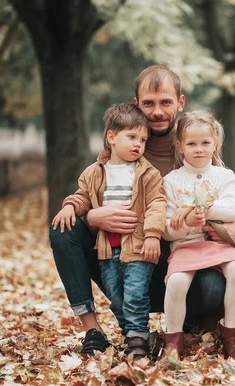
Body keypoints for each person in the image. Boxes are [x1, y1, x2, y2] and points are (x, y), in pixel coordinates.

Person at [49, 65, 235, 356]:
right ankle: (93, 330)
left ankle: (186, 323)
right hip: (126, 259)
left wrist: (233, 229)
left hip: (180, 261)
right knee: (63, 229)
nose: (157, 111)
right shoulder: (124, 146)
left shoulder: (196, 146)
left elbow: (227, 204)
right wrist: (92, 217)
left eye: (165, 102)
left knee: (214, 288)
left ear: (180, 103)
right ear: (136, 104)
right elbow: (89, 193)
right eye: (148, 103)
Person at [51, 103, 167, 358]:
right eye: (132, 137)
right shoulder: (94, 173)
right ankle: (133, 336)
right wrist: (71, 206)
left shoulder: (147, 173)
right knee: (116, 298)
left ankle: (138, 339)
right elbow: (82, 196)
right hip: (107, 250)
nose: (138, 144)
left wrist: (152, 235)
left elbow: (158, 204)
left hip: (137, 248)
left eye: (143, 140)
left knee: (135, 294)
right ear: (111, 137)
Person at [161, 110, 235, 361]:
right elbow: (168, 231)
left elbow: (232, 211)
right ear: (180, 147)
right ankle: (173, 342)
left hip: (216, 243)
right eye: (191, 143)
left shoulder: (224, 176)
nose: (198, 149)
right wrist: (186, 222)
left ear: (215, 144)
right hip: (185, 247)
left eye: (205, 143)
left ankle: (232, 336)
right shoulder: (171, 181)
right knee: (177, 281)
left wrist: (203, 208)